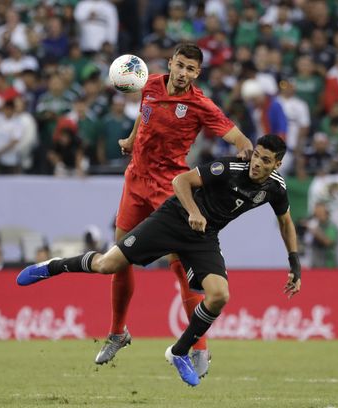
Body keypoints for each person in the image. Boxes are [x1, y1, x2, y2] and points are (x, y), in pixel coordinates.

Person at [17, 134, 302, 387]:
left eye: (265, 160)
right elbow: (181, 181)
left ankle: (179, 352)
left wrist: (295, 264)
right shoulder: (228, 167)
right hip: (174, 218)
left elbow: (287, 223)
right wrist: (193, 211)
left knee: (219, 296)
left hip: (203, 236)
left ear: (276, 165)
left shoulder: (276, 188)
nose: (256, 163)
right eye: (256, 156)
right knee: (108, 265)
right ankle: (52, 266)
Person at [100, 43, 253, 377]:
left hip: (170, 189)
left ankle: (199, 349)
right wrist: (130, 139)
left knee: (182, 268)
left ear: (198, 74)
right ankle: (117, 332)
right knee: (119, 258)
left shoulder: (200, 104)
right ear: (171, 63)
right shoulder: (151, 84)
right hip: (135, 181)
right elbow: (144, 114)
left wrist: (245, 152)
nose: (183, 73)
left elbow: (239, 138)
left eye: (191, 69)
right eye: (180, 65)